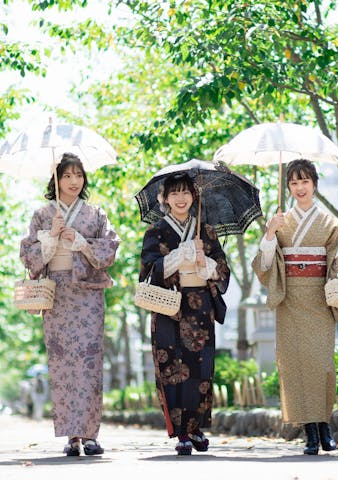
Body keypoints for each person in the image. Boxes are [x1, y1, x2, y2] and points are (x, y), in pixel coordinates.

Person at [252, 158, 338, 455]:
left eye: (305, 181)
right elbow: (265, 265)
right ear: (288, 186)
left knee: (321, 365)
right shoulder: (280, 220)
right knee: (294, 367)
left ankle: (324, 425)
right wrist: (269, 233)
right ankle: (309, 433)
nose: (299, 188)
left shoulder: (329, 222)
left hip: (318, 298)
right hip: (289, 298)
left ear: (314, 183)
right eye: (294, 182)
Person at [20, 152, 120, 456]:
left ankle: (90, 434)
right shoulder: (42, 214)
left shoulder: (95, 214)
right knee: (62, 363)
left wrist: (80, 241)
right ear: (56, 179)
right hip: (57, 293)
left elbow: (110, 250)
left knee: (89, 360)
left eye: (78, 175)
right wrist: (50, 237)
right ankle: (71, 435)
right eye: (67, 175)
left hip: (88, 294)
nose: (73, 181)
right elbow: (28, 256)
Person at [139, 172, 230, 455]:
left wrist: (207, 264)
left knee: (200, 368)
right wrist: (182, 253)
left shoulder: (207, 231)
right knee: (172, 369)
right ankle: (180, 432)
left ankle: (196, 428)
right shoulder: (155, 232)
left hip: (200, 304)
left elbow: (224, 274)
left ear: (194, 196)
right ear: (164, 199)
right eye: (174, 193)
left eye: (186, 192)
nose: (181, 198)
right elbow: (149, 271)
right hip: (168, 306)